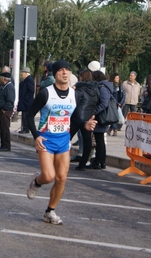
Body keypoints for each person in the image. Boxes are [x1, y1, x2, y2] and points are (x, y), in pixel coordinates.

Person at [26, 60, 97, 224]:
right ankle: (36, 181)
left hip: (63, 141)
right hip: (46, 140)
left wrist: (85, 124)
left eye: (67, 70)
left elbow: (76, 118)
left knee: (62, 178)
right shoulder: (46, 93)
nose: (65, 73)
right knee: (48, 176)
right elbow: (29, 115)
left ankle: (50, 211)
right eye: (61, 70)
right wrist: (36, 136)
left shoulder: (75, 94)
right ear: (55, 74)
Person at [70, 70, 99, 170]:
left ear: (81, 77)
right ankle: (83, 163)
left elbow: (73, 102)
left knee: (66, 137)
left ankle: (59, 157)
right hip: (89, 117)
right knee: (87, 141)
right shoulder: (95, 90)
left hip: (77, 116)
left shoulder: (79, 90)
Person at [89, 70, 113, 169]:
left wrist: (94, 112)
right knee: (100, 139)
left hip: (101, 116)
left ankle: (99, 161)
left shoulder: (102, 87)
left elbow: (104, 103)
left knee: (99, 140)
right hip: (102, 115)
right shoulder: (105, 86)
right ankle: (100, 161)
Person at [0, 69, 15, 151]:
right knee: (2, 128)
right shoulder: (4, 86)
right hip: (2, 110)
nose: (0, 79)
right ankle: (3, 145)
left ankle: (6, 146)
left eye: (1, 77)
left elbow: (10, 100)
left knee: (5, 128)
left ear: (4, 78)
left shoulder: (9, 87)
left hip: (5, 111)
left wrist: (4, 109)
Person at [18, 67, 34, 134]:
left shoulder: (29, 80)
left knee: (25, 115)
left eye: (22, 72)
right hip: (24, 101)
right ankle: (25, 128)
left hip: (27, 102)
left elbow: (31, 91)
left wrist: (25, 99)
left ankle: (26, 128)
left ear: (25, 73)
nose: (21, 74)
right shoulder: (25, 80)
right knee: (24, 115)